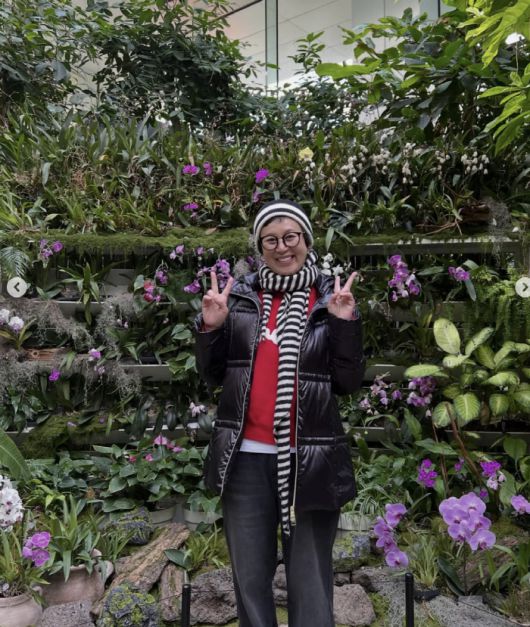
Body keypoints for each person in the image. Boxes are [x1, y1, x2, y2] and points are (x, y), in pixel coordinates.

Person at [195, 199, 364, 627]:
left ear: (306, 240)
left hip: (310, 461)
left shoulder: (330, 299)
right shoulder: (241, 298)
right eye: (270, 240)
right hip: (246, 459)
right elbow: (213, 376)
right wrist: (212, 327)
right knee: (250, 578)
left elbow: (348, 383)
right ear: (259, 247)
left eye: (290, 237)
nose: (282, 247)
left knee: (310, 580)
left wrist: (343, 323)